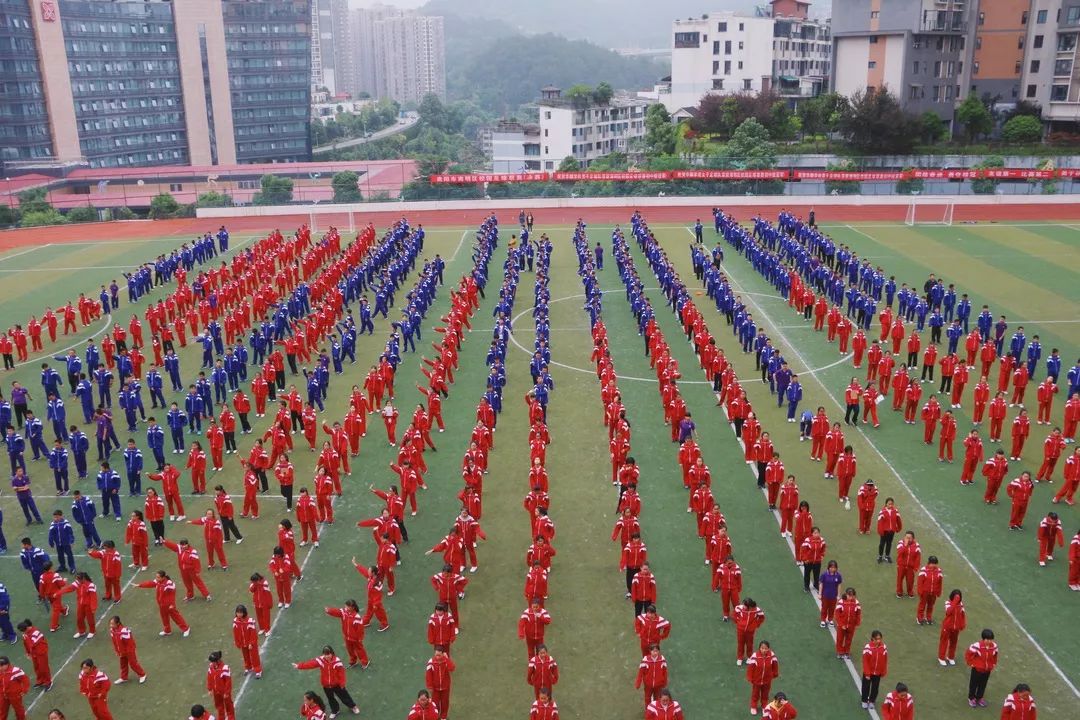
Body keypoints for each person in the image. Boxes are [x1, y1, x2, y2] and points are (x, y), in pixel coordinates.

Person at [293, 646, 361, 717]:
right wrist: (299, 666)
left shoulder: (337, 661)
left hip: (337, 684)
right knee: (331, 699)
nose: (327, 656)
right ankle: (335, 710)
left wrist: (342, 683)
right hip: (326, 686)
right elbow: (310, 664)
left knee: (344, 696)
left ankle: (353, 706)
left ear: (332, 653)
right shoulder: (320, 660)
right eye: (325, 654)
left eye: (328, 654)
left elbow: (342, 674)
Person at [135, 570, 189, 637]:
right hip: (161, 604)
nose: (156, 578)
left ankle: (186, 629)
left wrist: (172, 604)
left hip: (169, 605)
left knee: (176, 617)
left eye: (158, 577)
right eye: (156, 577)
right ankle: (167, 630)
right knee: (164, 618)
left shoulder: (169, 584)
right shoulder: (158, 581)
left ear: (163, 577)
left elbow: (172, 594)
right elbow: (151, 583)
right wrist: (140, 585)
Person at [107, 615, 146, 684]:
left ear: (118, 623)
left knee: (133, 664)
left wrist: (128, 653)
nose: (111, 625)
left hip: (129, 650)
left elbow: (129, 643)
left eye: (112, 624)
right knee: (123, 664)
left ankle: (142, 675)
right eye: (110, 623)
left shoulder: (124, 631)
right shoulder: (112, 631)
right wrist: (117, 651)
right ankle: (124, 677)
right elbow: (114, 642)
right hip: (121, 651)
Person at [964, 628, 998, 708]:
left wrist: (993, 664)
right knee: (974, 684)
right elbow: (968, 654)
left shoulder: (994, 646)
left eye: (991, 639)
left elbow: (995, 656)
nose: (989, 641)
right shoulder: (977, 645)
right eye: (987, 639)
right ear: (983, 639)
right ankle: (971, 698)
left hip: (987, 670)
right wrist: (971, 663)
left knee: (983, 684)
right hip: (977, 669)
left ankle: (979, 697)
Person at [745, 640, 779, 716]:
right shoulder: (755, 656)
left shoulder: (772, 655)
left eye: (766, 648)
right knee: (755, 694)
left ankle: (764, 706)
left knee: (765, 694)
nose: (764, 650)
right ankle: (753, 706)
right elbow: (751, 667)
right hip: (756, 680)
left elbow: (775, 664)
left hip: (767, 680)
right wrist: (750, 677)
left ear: (768, 649)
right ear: (759, 648)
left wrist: (775, 673)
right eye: (762, 648)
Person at [16, 619, 49, 689]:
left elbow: (32, 644)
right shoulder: (25, 633)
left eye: (24, 631)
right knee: (36, 668)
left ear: (27, 627)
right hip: (34, 653)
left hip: (41, 653)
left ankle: (48, 682)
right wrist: (28, 653)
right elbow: (26, 643)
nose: (24, 632)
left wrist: (32, 652)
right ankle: (40, 680)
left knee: (44, 668)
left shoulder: (36, 633)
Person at [860, 630, 888, 710]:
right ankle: (864, 701)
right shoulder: (868, 648)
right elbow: (865, 662)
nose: (879, 641)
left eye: (880, 639)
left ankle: (872, 701)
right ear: (873, 639)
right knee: (866, 687)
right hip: (869, 672)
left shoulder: (883, 647)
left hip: (878, 672)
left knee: (875, 688)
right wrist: (867, 673)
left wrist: (883, 670)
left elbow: (885, 660)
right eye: (877, 639)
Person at [232, 605, 261, 679]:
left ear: (244, 613)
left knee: (254, 656)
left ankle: (258, 670)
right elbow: (235, 633)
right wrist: (237, 642)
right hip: (243, 642)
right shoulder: (235, 621)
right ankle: (248, 667)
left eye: (240, 613)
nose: (239, 614)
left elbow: (253, 633)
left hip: (251, 643)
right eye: (238, 613)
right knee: (245, 656)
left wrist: (251, 643)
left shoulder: (250, 621)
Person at [938, 589, 966, 666]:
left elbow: (963, 615)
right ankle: (941, 657)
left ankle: (950, 657)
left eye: (959, 597)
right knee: (944, 642)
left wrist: (962, 624)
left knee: (954, 643)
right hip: (947, 627)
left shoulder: (961, 605)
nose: (958, 598)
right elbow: (948, 612)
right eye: (956, 596)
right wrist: (955, 602)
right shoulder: (948, 603)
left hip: (956, 628)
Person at [205, 650, 234, 720]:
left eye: (213, 662)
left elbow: (228, 682)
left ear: (218, 661)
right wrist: (209, 689)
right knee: (219, 707)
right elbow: (209, 678)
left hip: (224, 692)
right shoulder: (211, 667)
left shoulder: (225, 668)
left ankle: (231, 718)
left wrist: (227, 692)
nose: (212, 663)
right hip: (216, 692)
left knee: (229, 707)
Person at [834, 587, 861, 660]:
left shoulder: (856, 603)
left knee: (849, 639)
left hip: (851, 625)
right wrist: (841, 624)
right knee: (840, 639)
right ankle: (840, 651)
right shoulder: (841, 602)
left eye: (852, 595)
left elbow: (858, 613)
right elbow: (837, 614)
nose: (850, 597)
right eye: (849, 595)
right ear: (846, 594)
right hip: (842, 625)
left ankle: (847, 651)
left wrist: (857, 622)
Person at [0, 655, 30, 720]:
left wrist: (24, 690)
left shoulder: (15, 671)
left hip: (15, 696)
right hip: (3, 695)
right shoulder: (0, 672)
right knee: (2, 711)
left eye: (2, 666)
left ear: (7, 664)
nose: (0, 668)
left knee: (19, 711)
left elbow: (25, 679)